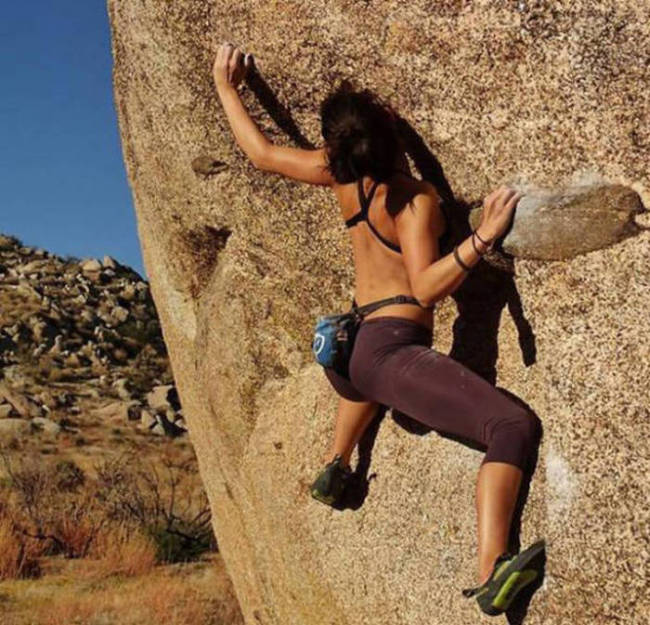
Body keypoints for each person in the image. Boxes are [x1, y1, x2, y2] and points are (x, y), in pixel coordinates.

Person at [212, 42, 544, 616]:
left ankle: (338, 465)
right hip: (389, 350)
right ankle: (492, 570)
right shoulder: (414, 202)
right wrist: (484, 235)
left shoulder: (341, 176)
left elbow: (263, 153)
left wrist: (227, 87)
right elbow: (423, 287)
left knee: (369, 381)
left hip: (349, 351)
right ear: (390, 127)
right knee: (511, 425)